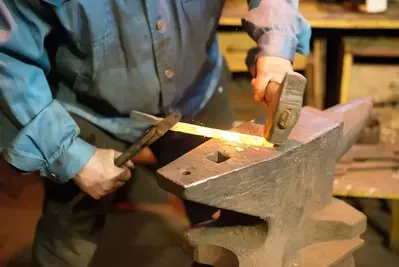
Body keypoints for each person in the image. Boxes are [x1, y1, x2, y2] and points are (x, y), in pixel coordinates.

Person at [0, 1, 311, 266]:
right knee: (69, 234)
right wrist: (68, 154)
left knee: (229, 220)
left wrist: (276, 48)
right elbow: (7, 59)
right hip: (89, 110)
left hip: (197, 95)